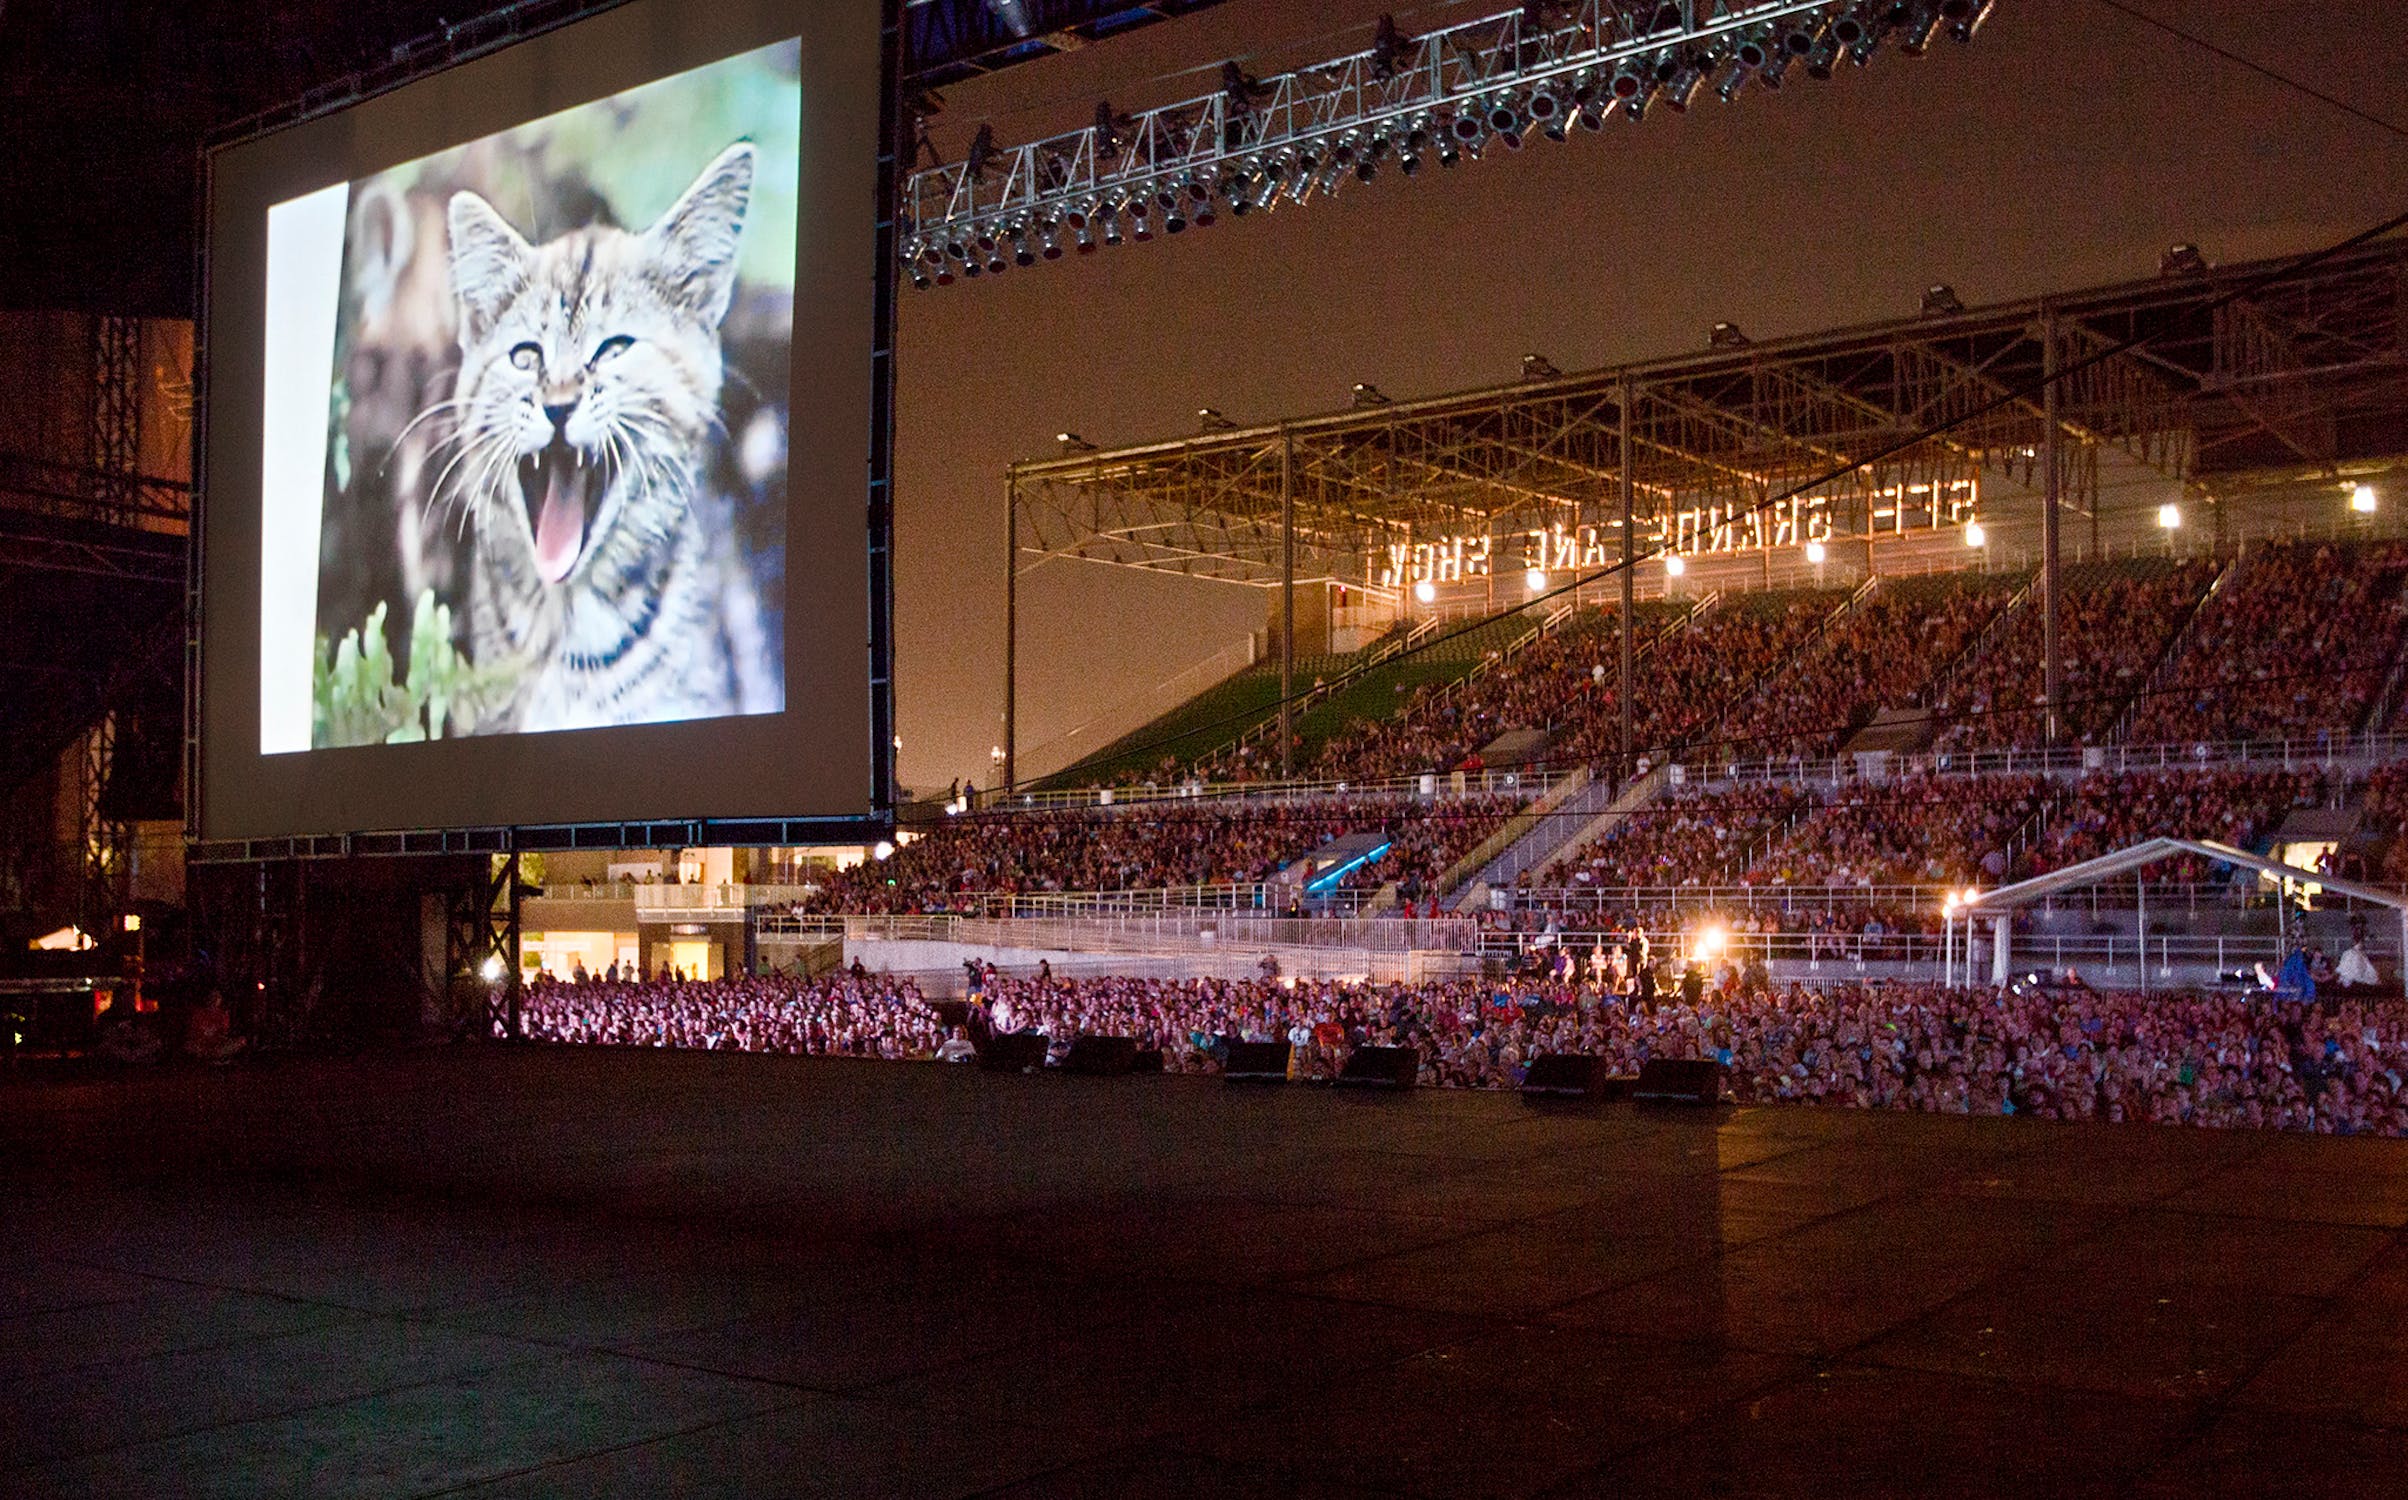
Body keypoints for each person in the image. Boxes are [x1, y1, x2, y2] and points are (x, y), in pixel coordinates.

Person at [184, 988, 247, 1065]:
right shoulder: (198, 1013)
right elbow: (193, 1033)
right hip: (202, 1045)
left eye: (217, 997)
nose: (214, 1000)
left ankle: (215, 1057)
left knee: (241, 1041)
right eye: (212, 997)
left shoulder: (223, 1014)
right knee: (190, 1046)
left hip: (217, 1045)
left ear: (220, 1000)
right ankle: (212, 1058)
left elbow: (224, 1033)